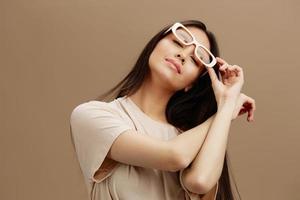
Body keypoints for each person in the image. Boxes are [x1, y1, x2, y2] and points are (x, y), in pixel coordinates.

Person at [70, 19, 256, 200]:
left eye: (195, 59)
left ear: (191, 84)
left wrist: (226, 104)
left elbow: (200, 181)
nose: (183, 55)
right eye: (178, 42)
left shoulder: (192, 140)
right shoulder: (92, 116)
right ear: (154, 45)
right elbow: (175, 157)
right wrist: (224, 112)